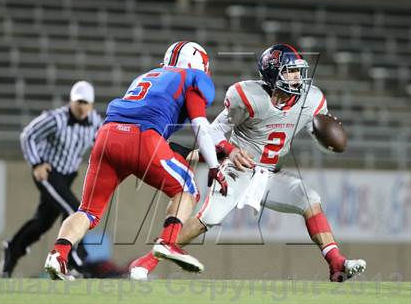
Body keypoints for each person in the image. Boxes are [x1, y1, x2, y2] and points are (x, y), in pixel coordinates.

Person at [130, 44, 367, 282]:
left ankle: (337, 263)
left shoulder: (312, 99)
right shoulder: (248, 97)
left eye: (298, 71)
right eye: (290, 71)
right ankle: (145, 262)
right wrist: (230, 151)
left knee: (309, 198)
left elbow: (318, 127)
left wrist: (327, 136)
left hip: (270, 174)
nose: (297, 78)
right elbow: (212, 132)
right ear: (273, 73)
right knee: (208, 219)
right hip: (239, 169)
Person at [43, 41, 228, 280]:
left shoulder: (148, 76)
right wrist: (214, 166)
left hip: (107, 136)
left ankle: (58, 255)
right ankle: (168, 242)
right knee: (187, 189)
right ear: (198, 65)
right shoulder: (193, 77)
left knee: (88, 211)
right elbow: (200, 125)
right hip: (142, 138)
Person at [0, 81, 102, 277]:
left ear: (92, 105)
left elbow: (103, 143)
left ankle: (13, 249)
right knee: (75, 210)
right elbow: (28, 135)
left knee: (43, 222)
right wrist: (36, 163)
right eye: (78, 102)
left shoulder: (95, 122)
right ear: (71, 101)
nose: (82, 107)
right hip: (49, 172)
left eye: (86, 103)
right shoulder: (56, 118)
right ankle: (75, 260)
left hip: (68, 176)